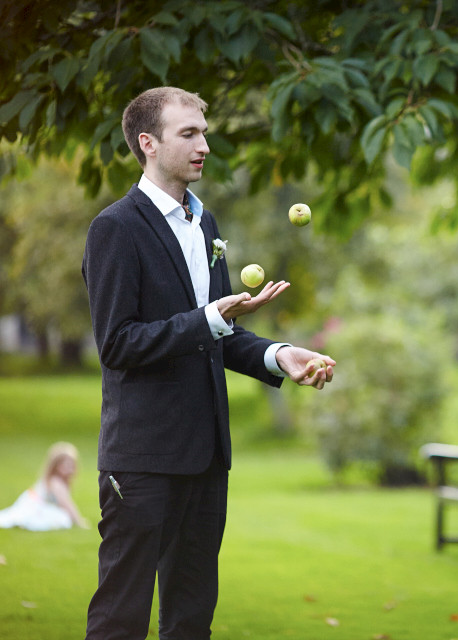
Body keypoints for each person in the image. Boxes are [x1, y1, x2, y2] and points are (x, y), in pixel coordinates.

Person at [82, 86, 336, 640]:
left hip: (206, 457)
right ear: (148, 143)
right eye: (189, 134)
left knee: (192, 619)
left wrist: (278, 354)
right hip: (143, 461)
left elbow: (217, 333)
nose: (204, 146)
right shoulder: (115, 228)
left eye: (205, 133)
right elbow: (118, 343)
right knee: (121, 618)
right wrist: (211, 321)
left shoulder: (206, 225)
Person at [0, 441, 89, 531]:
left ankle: (23, 522)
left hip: (32, 503)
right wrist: (79, 521)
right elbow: (66, 504)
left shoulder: (56, 480)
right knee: (63, 519)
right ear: (56, 465)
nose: (70, 468)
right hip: (36, 507)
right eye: (66, 465)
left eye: (72, 464)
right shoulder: (55, 482)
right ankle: (26, 523)